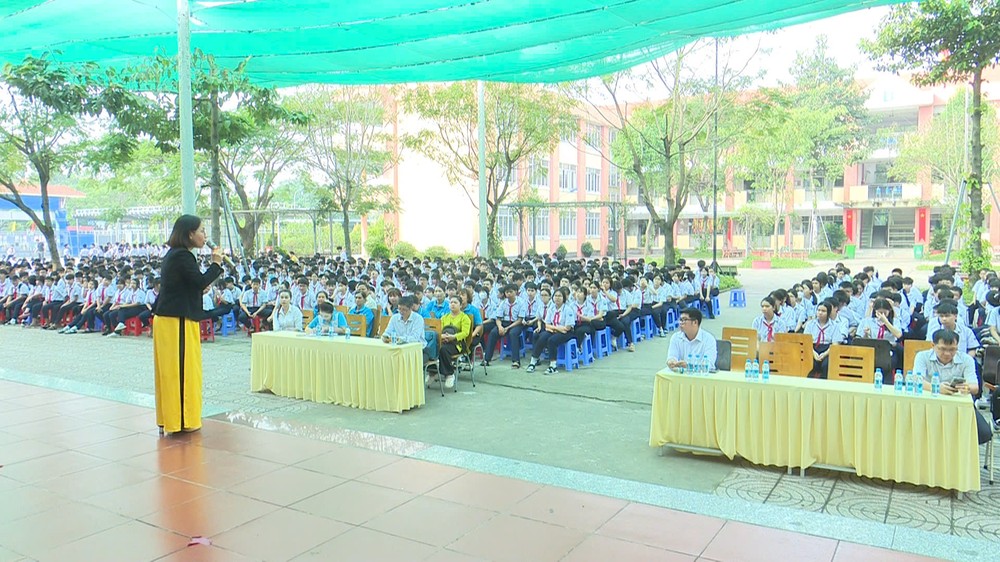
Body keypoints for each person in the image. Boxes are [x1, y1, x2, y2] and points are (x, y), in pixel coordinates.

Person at [152, 215, 224, 435]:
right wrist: (216, 263)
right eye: (201, 230)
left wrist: (198, 288)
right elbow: (200, 281)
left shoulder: (176, 255)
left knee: (172, 372)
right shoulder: (183, 256)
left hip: (171, 319)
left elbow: (187, 285)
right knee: (180, 371)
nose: (205, 236)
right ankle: (182, 420)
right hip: (177, 322)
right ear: (189, 234)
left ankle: (171, 418)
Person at [913, 329, 992, 444]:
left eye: (952, 350)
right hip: (929, 403)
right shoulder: (922, 356)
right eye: (942, 349)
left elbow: (975, 387)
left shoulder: (966, 359)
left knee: (984, 433)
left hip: (959, 405)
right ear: (933, 346)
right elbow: (916, 380)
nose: (947, 354)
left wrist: (966, 388)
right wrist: (936, 388)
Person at [525, 287, 576, 374]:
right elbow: (547, 324)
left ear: (564, 298)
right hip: (555, 330)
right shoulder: (551, 309)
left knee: (552, 340)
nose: (557, 298)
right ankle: (533, 362)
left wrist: (554, 328)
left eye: (560, 296)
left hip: (567, 333)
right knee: (542, 337)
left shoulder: (568, 310)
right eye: (555, 296)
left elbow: (567, 328)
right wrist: (556, 328)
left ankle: (553, 365)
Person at [804, 300, 846, 378]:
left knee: (826, 365)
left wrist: (824, 354)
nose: (820, 313)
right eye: (818, 310)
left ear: (828, 313)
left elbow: (835, 345)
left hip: (828, 350)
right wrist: (814, 354)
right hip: (812, 349)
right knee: (810, 363)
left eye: (823, 311)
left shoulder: (834, 326)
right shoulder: (810, 324)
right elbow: (806, 342)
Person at [666, 307, 717, 371]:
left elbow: (709, 365)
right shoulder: (676, 337)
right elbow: (672, 356)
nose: (681, 323)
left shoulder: (709, 339)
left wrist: (689, 366)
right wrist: (671, 362)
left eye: (684, 320)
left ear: (695, 322)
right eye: (680, 320)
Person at [437, 296, 472, 388]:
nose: (452, 304)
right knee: (434, 348)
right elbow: (439, 331)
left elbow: (465, 333)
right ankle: (433, 372)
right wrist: (442, 336)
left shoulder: (464, 318)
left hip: (458, 344)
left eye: (455, 302)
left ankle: (449, 374)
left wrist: (453, 337)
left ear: (460, 305)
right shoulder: (444, 317)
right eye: (451, 302)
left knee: (443, 350)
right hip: (444, 341)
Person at [381, 296, 430, 361]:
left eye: (404, 310)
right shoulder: (394, 318)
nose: (401, 312)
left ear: (411, 308)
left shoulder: (418, 319)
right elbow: (387, 332)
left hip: (417, 350)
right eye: (399, 309)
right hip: (398, 349)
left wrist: (399, 339)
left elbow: (414, 338)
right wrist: (386, 337)